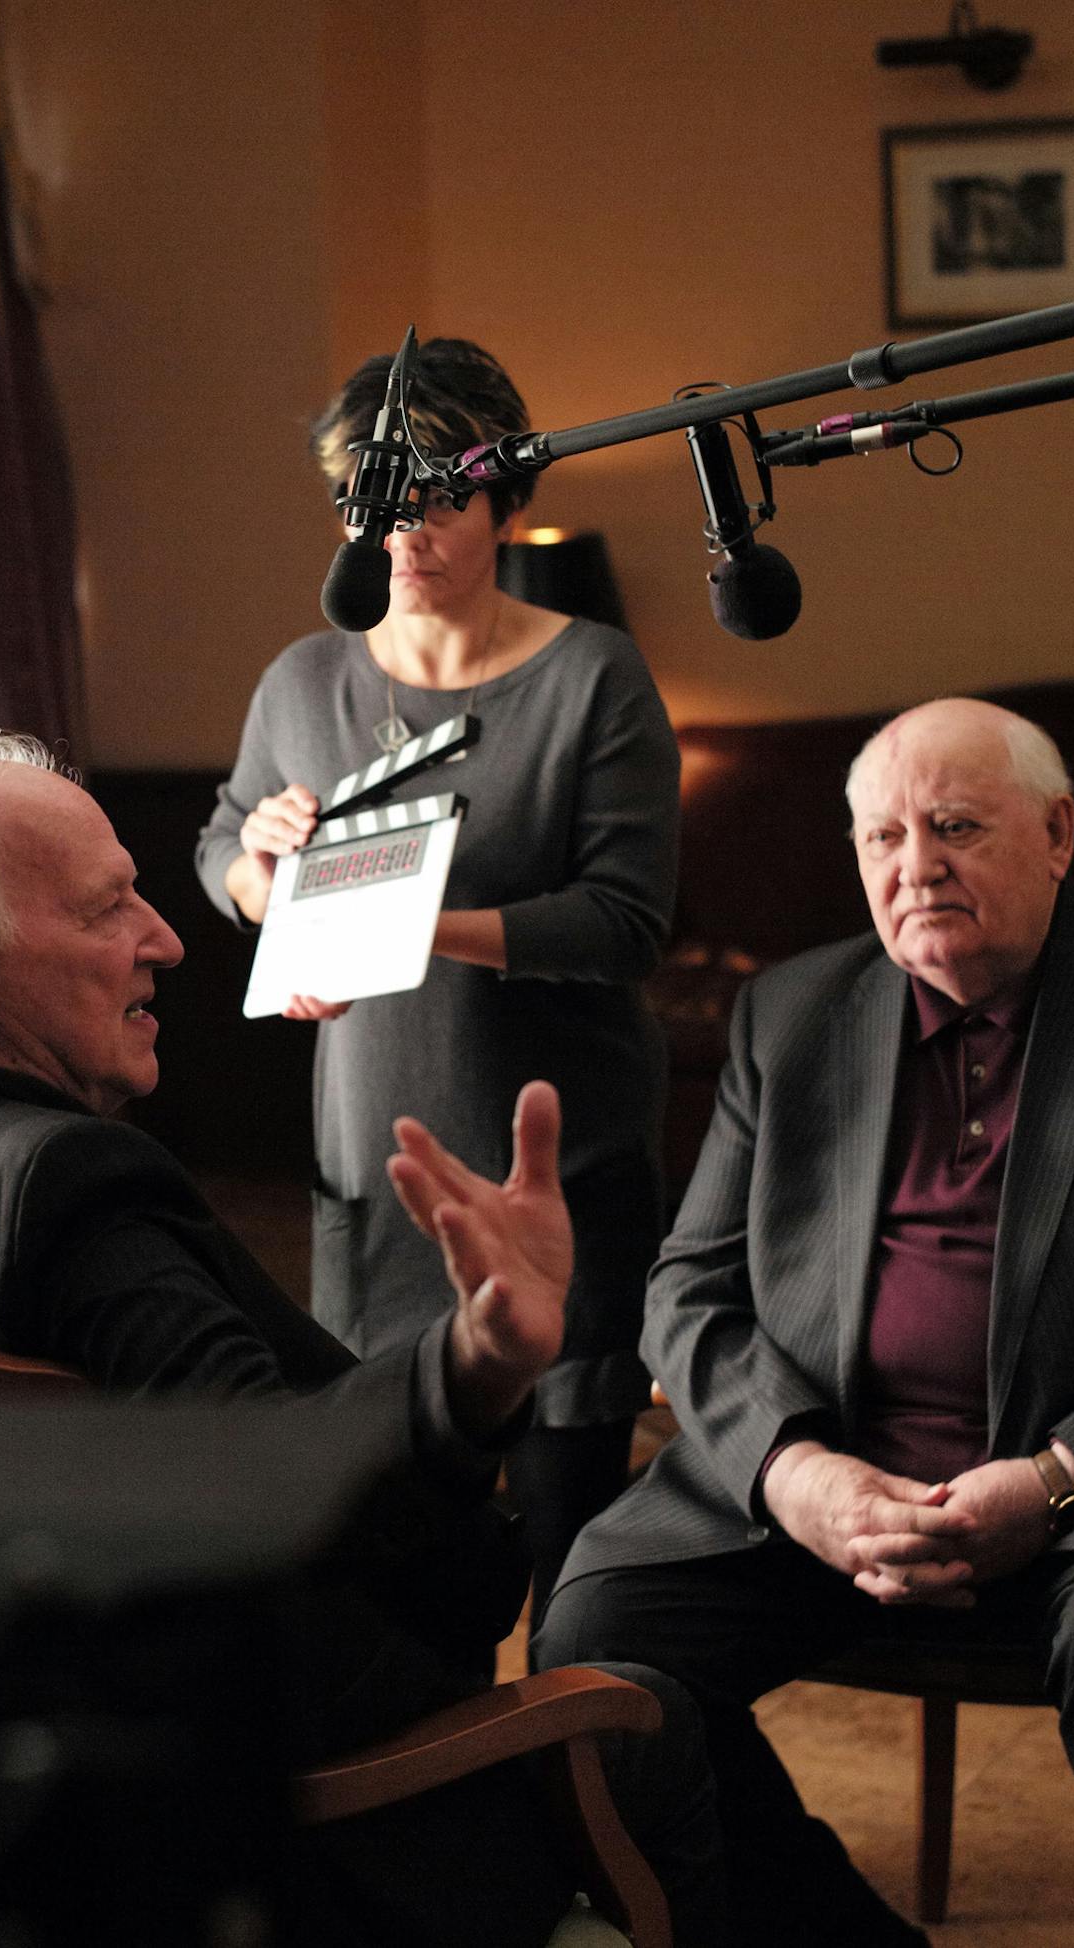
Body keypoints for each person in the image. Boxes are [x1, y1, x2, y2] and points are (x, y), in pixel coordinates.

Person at [0, 731, 725, 1948]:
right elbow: (281, 1493)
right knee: (655, 1720)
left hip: (60, 1829)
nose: (166, 938)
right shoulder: (68, 1185)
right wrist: (477, 1363)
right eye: (106, 907)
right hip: (309, 1827)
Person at [534, 697, 1074, 1948]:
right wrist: (795, 1472)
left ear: (1059, 833)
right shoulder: (791, 1013)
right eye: (884, 837)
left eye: (957, 826)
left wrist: (1057, 1476)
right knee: (591, 1643)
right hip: (838, 1489)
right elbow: (689, 1285)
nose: (916, 865)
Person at [195, 337, 680, 1623]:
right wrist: (263, 878)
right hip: (376, 1169)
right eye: (370, 501)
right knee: (392, 1559)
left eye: (435, 501)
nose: (399, 533)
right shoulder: (303, 679)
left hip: (555, 1177)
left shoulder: (593, 677)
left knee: (574, 1567)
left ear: (508, 504)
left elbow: (626, 923)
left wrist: (407, 927)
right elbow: (220, 844)